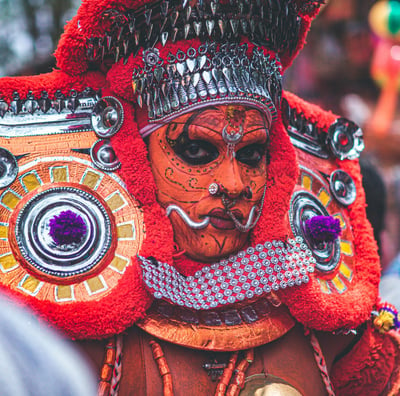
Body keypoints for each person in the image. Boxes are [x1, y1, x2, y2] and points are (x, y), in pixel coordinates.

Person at [0, 0, 398, 395]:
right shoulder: (60, 344)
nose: (233, 183)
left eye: (251, 154)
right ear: (136, 156)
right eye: (196, 151)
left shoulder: (336, 340)